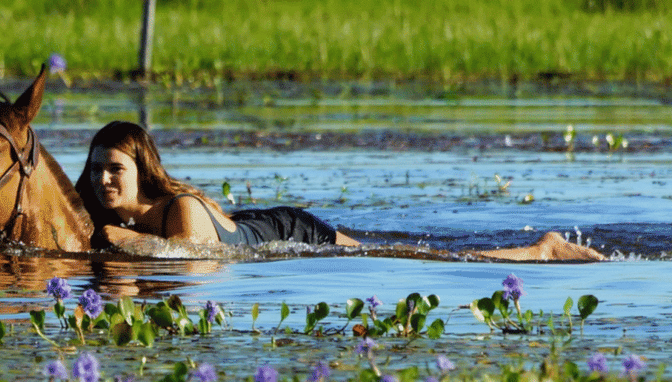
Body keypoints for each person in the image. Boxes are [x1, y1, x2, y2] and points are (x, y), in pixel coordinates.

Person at [74, 121, 603, 261]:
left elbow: (198, 262)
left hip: (286, 230)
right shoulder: (113, 215)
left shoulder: (179, 211)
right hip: (249, 221)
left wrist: (134, 246)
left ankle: (542, 248)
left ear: (141, 169)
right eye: (96, 169)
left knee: (419, 258)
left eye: (115, 168)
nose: (102, 180)